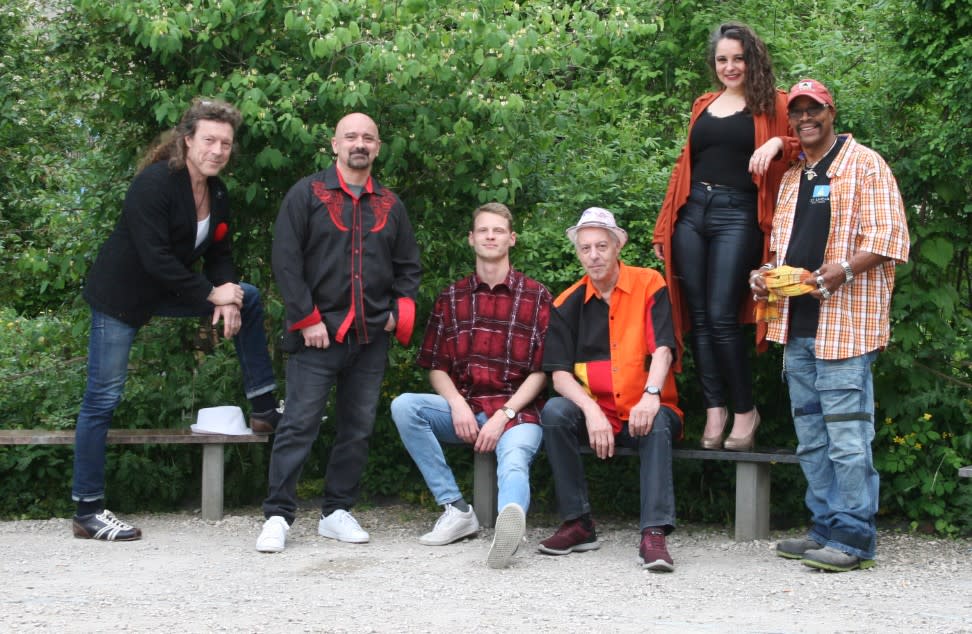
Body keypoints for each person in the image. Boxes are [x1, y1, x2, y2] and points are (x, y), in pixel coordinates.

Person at [72, 98, 280, 541]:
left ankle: (264, 409)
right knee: (102, 399)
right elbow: (155, 258)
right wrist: (210, 293)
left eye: (226, 143)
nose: (218, 151)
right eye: (209, 140)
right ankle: (87, 511)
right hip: (121, 297)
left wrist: (226, 294)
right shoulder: (154, 184)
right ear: (187, 140)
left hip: (170, 290)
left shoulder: (216, 192)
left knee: (248, 297)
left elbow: (220, 252)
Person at [752, 79, 909, 572]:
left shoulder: (866, 164)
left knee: (847, 437)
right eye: (797, 112)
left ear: (831, 112)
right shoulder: (794, 177)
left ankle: (854, 536)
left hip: (847, 327)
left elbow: (889, 237)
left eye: (813, 109)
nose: (805, 118)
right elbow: (783, 250)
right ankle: (824, 527)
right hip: (797, 325)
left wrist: (843, 270)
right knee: (812, 439)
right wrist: (764, 275)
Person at [256, 113, 422, 553]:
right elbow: (286, 260)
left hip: (370, 337)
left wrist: (397, 314)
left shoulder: (391, 203)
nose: (359, 143)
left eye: (367, 137)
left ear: (378, 147)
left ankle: (336, 512)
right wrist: (306, 318)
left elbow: (408, 267)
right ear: (335, 144)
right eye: (351, 136)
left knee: (357, 428)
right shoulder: (306, 194)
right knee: (298, 424)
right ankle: (277, 515)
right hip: (317, 334)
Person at [652, 22, 799, 451]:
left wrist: (777, 144)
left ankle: (745, 410)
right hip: (692, 211)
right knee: (698, 318)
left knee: (721, 315)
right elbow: (684, 166)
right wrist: (664, 225)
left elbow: (808, 142)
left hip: (738, 213)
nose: (730, 66)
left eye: (738, 58)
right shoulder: (704, 104)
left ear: (752, 60)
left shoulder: (775, 103)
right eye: (722, 59)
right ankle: (715, 409)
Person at [391, 202, 552, 569]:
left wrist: (505, 414)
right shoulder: (451, 298)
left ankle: (509, 530)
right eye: (483, 230)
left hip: (518, 413)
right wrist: (457, 404)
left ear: (511, 239)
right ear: (471, 238)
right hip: (467, 409)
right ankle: (456, 509)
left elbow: (542, 372)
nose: (490, 236)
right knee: (405, 406)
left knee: (514, 460)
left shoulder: (537, 296)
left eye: (498, 230)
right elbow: (436, 366)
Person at [539, 207, 683, 572]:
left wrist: (651, 395)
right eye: (585, 248)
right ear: (578, 253)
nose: (594, 255)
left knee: (657, 421)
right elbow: (559, 376)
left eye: (601, 246)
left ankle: (653, 534)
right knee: (554, 413)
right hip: (599, 416)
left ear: (618, 246)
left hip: (647, 407)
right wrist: (591, 411)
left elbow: (663, 349)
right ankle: (578, 523)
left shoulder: (649, 282)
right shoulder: (566, 303)